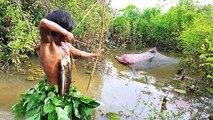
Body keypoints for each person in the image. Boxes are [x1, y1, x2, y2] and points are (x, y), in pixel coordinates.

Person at [37, 9, 103, 87]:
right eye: (68, 31)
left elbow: (78, 53)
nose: (70, 33)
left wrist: (94, 54)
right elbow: (43, 23)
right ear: (61, 31)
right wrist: (65, 32)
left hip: (65, 89)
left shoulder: (64, 44)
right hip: (53, 94)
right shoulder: (48, 44)